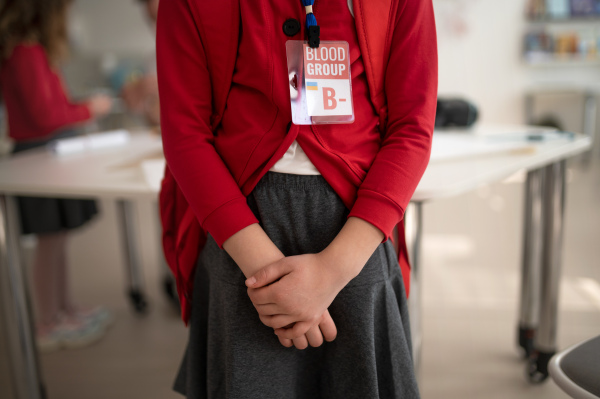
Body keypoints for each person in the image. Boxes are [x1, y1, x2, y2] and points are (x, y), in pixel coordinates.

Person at [157, 0, 437, 397]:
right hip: (241, 238)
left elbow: (413, 128)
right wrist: (268, 273)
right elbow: (185, 134)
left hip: (356, 235)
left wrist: (333, 271)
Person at [0, 0, 114, 351]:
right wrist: (89, 108)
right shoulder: (25, 49)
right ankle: (49, 320)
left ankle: (63, 309)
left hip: (49, 153)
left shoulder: (30, 48)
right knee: (50, 242)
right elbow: (44, 115)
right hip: (39, 155)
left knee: (58, 239)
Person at [119, 0, 160, 126]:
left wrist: (167, 88)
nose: (156, 29)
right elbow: (156, 124)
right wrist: (141, 104)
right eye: (152, 21)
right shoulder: (152, 60)